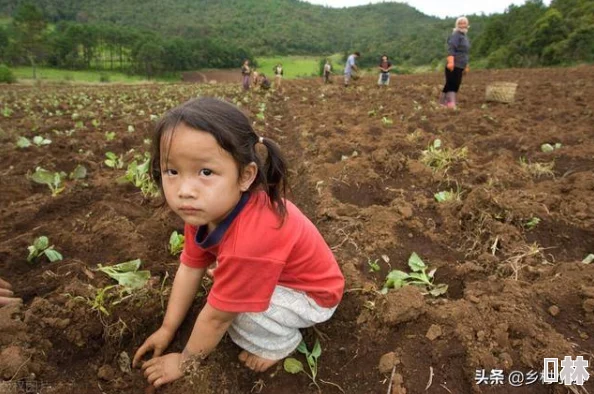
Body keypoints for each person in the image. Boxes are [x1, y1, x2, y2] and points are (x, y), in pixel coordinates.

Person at [133, 98, 344, 389]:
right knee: (226, 292)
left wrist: (185, 361)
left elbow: (217, 318)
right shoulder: (204, 210)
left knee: (236, 315)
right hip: (277, 274)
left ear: (245, 176)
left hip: (313, 296)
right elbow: (189, 267)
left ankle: (281, 343)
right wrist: (167, 329)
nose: (185, 190)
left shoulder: (249, 241)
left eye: (205, 172)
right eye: (172, 171)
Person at [439, 17, 471, 109]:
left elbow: (465, 52)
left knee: (455, 83)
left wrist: (466, 65)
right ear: (457, 25)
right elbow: (451, 49)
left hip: (461, 64)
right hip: (454, 63)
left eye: (464, 23)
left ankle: (444, 102)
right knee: (452, 83)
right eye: (460, 23)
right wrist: (451, 62)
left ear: (467, 25)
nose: (462, 25)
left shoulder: (464, 36)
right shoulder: (456, 35)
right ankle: (450, 103)